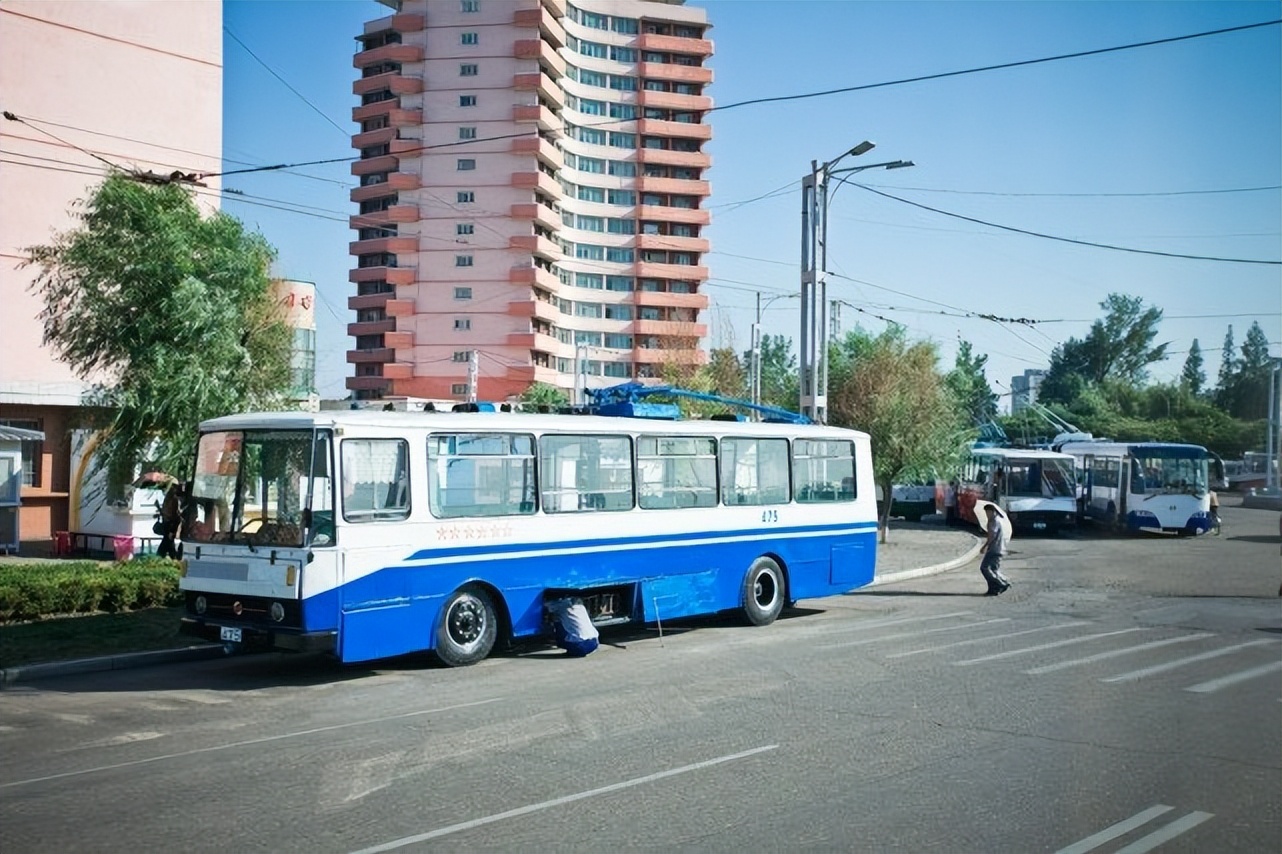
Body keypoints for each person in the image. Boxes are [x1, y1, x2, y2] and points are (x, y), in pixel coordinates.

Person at [979, 504, 1011, 596]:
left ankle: (1002, 583)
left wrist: (984, 546)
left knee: (985, 568)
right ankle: (993, 589)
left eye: (988, 512)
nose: (987, 514)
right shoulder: (999, 520)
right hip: (1000, 548)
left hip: (994, 549)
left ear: (993, 512)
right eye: (986, 512)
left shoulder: (993, 521)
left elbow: (992, 536)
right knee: (993, 569)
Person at [156, 482, 182, 559]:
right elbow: (167, 512)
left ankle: (166, 557)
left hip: (170, 524)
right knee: (168, 543)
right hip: (168, 523)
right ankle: (173, 557)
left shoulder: (173, 499)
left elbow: (173, 514)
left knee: (167, 543)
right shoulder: (169, 498)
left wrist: (172, 530)